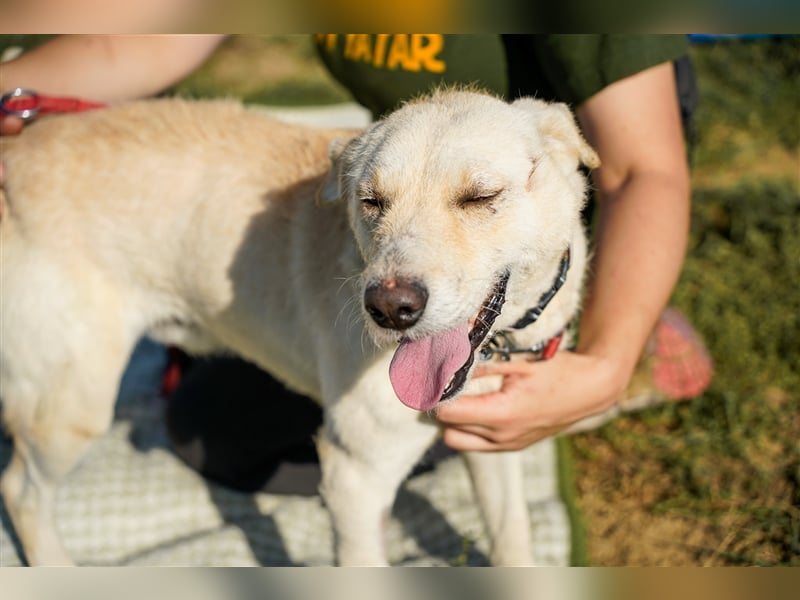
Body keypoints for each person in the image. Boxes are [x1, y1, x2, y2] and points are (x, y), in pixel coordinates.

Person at [0, 34, 711, 485]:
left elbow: (640, 170)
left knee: (488, 378)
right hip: (409, 166)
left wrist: (607, 365)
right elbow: (130, 42)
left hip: (601, 165)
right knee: (209, 433)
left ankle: (634, 314)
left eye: (477, 198)